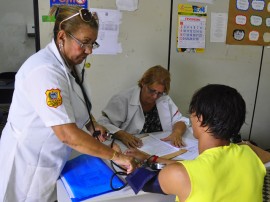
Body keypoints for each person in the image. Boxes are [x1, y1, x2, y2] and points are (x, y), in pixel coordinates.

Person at [0, 5, 136, 202]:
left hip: (52, 157)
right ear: (62, 36)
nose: (89, 50)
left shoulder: (73, 64)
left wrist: (92, 124)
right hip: (29, 161)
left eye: (93, 44)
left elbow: (74, 102)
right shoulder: (45, 71)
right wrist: (115, 157)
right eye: (85, 43)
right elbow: (67, 134)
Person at [126, 84, 270, 202]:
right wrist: (151, 158)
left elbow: (144, 182)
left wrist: (131, 166)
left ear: (200, 119)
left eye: (192, 114)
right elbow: (206, 167)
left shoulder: (181, 175)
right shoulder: (252, 152)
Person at [98, 65, 190, 148]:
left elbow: (180, 120)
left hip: (160, 146)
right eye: (151, 91)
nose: (155, 96)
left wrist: (177, 133)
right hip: (131, 148)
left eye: (159, 93)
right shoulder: (123, 99)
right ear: (143, 83)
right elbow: (103, 123)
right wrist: (122, 134)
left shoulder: (164, 99)